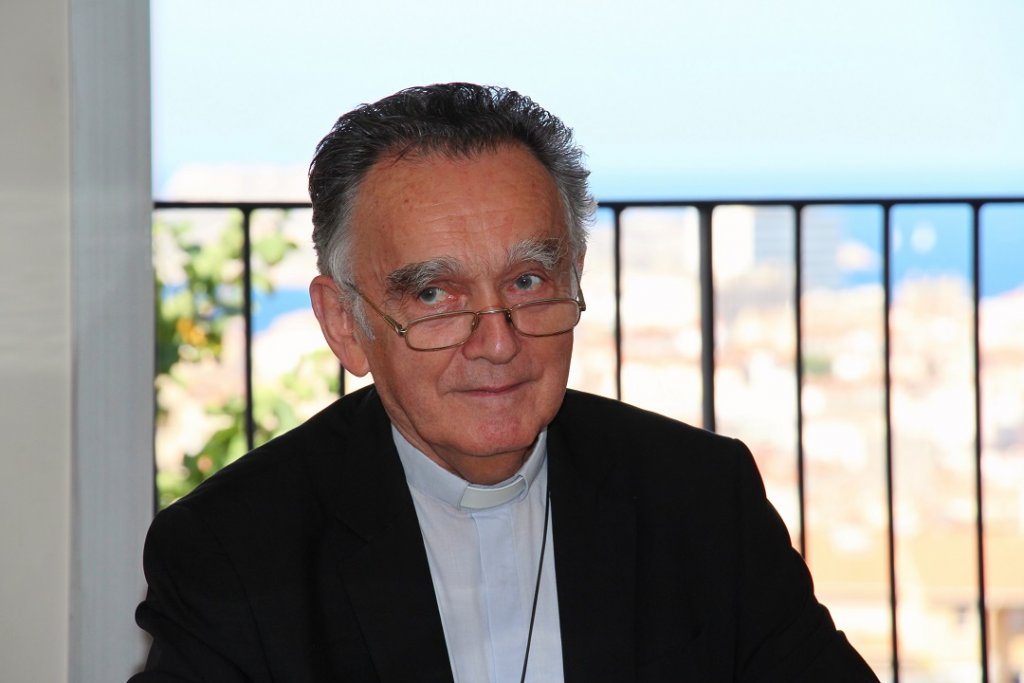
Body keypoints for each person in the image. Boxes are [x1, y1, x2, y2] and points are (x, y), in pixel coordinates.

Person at [132, 83, 879, 682]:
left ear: (576, 281)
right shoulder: (233, 545)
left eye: (527, 280)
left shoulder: (700, 499)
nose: (498, 341)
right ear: (343, 325)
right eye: (433, 294)